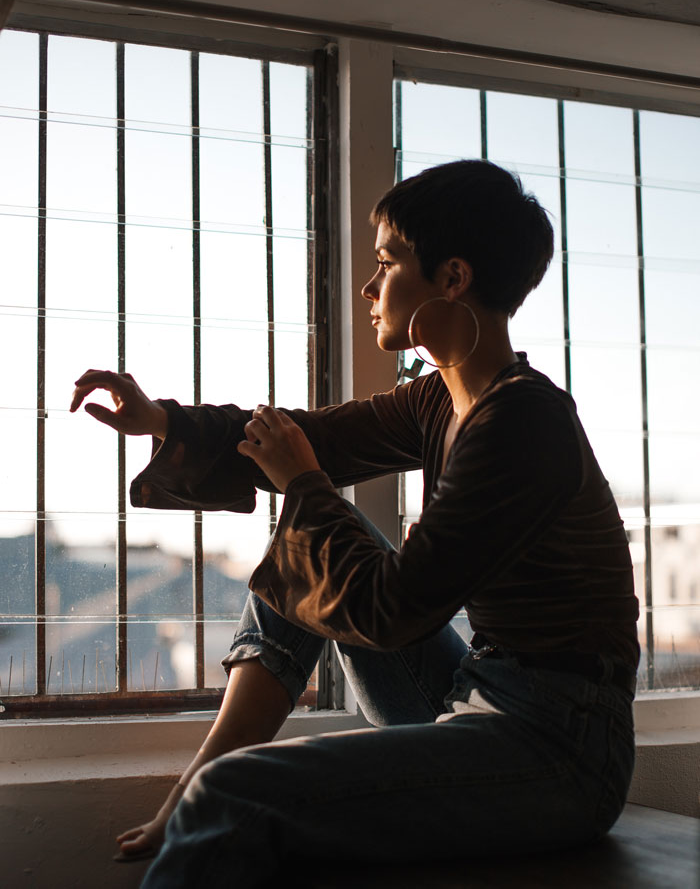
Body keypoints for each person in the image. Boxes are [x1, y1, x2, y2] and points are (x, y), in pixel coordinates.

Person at [71, 160, 639, 888]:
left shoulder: (523, 420)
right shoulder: (443, 399)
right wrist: (162, 420)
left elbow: (394, 609)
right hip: (474, 691)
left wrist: (305, 482)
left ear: (454, 277)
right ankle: (207, 771)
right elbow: (311, 436)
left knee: (238, 790)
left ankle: (208, 786)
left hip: (560, 744)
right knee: (309, 531)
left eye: (386, 263)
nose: (370, 289)